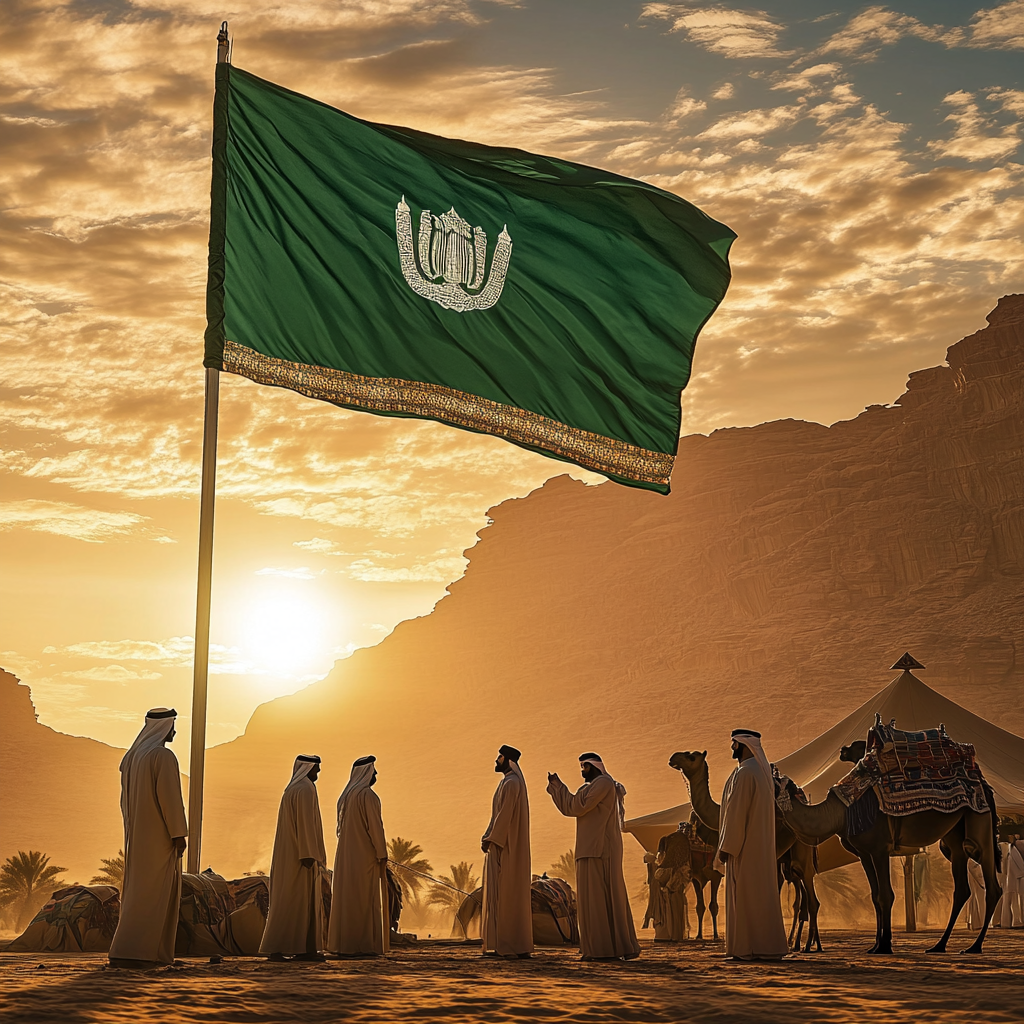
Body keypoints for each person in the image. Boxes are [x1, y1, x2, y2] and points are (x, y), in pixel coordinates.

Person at [108, 707, 188, 967]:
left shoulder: (133, 757)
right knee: (155, 896)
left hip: (137, 836)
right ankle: (144, 954)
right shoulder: (162, 756)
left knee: (138, 894)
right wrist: (178, 834)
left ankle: (128, 950)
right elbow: (171, 799)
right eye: (173, 726)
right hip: (158, 838)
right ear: (164, 727)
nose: (175, 731)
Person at [547, 753, 639, 961]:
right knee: (590, 900)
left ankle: (606, 949)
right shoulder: (590, 787)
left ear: (594, 766)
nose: (582, 771)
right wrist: (557, 786)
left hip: (601, 850)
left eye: (585, 766)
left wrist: (560, 789)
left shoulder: (603, 783)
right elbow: (570, 807)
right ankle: (597, 948)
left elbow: (578, 806)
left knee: (602, 898)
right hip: (588, 849)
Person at [717, 729, 788, 961]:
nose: (731, 748)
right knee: (760, 897)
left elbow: (737, 813)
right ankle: (766, 947)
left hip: (744, 847)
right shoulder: (759, 771)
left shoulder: (746, 773)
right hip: (757, 846)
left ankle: (745, 949)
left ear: (743, 745)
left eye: (733, 744)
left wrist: (728, 846)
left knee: (745, 898)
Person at [260, 754, 328, 961]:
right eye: (317, 768)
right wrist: (309, 853)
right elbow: (305, 823)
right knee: (299, 903)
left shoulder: (292, 789)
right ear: (309, 768)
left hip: (289, 856)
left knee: (289, 903)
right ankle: (298, 950)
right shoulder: (306, 789)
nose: (318, 772)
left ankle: (291, 949)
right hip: (300, 858)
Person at [327, 755, 389, 957]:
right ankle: (362, 946)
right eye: (374, 770)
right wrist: (382, 853)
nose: (376, 774)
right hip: (364, 859)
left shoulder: (346, 797)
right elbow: (375, 828)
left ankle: (346, 945)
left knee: (348, 900)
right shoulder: (368, 796)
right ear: (367, 772)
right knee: (364, 901)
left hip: (346, 858)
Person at [481, 744, 533, 958]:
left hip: (506, 847)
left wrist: (493, 839)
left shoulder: (511, 783)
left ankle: (510, 945)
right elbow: (497, 816)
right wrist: (488, 835)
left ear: (508, 760)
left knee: (507, 894)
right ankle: (505, 944)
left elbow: (504, 817)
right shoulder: (509, 782)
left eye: (500, 757)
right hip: (502, 842)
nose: (496, 760)